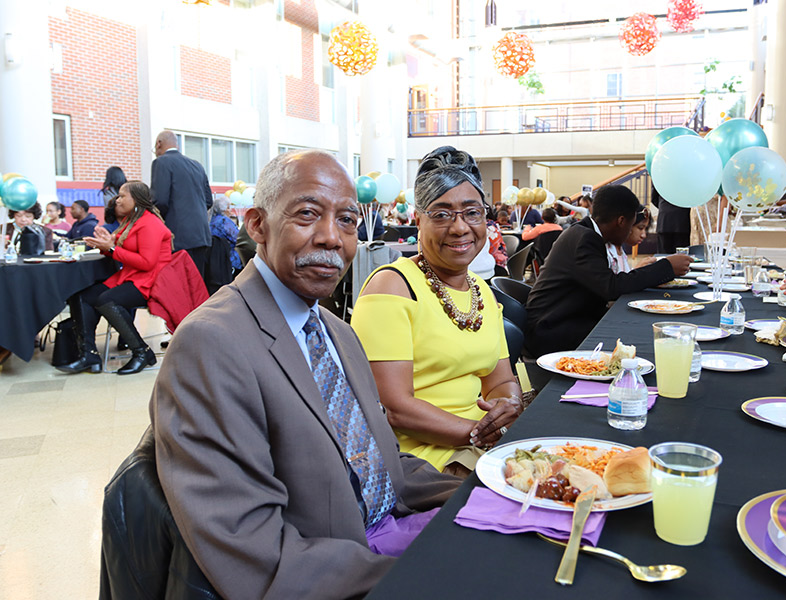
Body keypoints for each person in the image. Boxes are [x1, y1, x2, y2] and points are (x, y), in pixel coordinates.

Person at [151, 150, 461, 598]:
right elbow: (250, 545)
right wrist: (414, 577)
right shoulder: (211, 343)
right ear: (257, 224)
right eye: (308, 214)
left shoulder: (336, 331)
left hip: (392, 529)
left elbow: (379, 463)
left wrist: (481, 492)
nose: (332, 238)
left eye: (348, 220)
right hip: (341, 569)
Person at [351, 146, 523, 475]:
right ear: (418, 220)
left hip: (482, 443)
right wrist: (482, 435)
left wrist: (508, 404)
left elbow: (500, 380)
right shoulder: (391, 287)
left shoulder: (481, 290)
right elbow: (395, 409)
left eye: (472, 213)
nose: (460, 228)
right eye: (442, 214)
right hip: (421, 459)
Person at [525, 185, 693, 356]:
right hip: (552, 330)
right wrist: (667, 267)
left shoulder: (585, 233)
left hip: (566, 319)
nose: (629, 232)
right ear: (620, 221)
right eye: (630, 225)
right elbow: (611, 287)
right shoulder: (585, 238)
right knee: (638, 336)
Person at [56, 181, 173, 375]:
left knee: (106, 300)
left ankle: (141, 351)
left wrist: (111, 248)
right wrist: (107, 243)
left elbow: (147, 263)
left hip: (150, 281)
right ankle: (89, 355)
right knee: (82, 295)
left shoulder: (150, 223)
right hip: (131, 277)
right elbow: (121, 252)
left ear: (135, 199)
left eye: (121, 196)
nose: (117, 200)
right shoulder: (131, 221)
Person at [150, 130, 214, 277]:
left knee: (181, 289)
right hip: (201, 235)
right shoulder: (197, 165)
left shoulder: (161, 162)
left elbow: (159, 200)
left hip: (177, 237)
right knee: (198, 287)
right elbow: (208, 201)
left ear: (159, 144)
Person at [607, 208, 655, 273]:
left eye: (645, 229)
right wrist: (637, 271)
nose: (644, 235)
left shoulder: (620, 251)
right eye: (640, 228)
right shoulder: (607, 253)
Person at [651, 184, 691, 253]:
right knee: (681, 256)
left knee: (663, 255)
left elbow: (654, 198)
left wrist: (664, 207)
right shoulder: (687, 175)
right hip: (682, 218)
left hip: (664, 218)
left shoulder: (659, 175)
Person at [208, 195, 241, 272]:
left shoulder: (211, 221)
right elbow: (238, 238)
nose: (230, 210)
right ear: (223, 210)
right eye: (228, 208)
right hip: (230, 259)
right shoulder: (224, 221)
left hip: (214, 259)